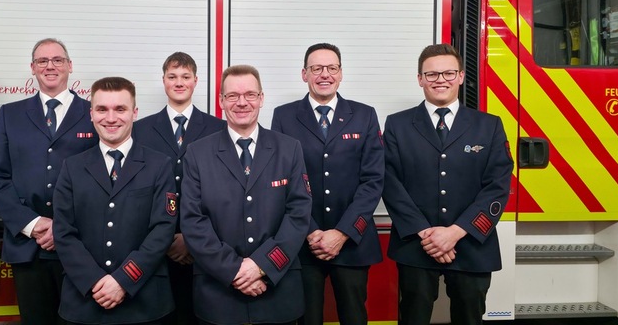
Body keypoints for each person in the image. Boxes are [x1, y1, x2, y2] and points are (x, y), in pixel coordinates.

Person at [382, 44, 513, 325]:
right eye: (431, 74)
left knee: (469, 317)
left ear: (461, 76)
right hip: (416, 243)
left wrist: (455, 232)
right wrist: (427, 234)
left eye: (449, 73)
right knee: (413, 317)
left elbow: (497, 186)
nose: (440, 80)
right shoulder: (397, 125)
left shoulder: (489, 125)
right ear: (420, 79)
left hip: (472, 243)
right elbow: (389, 183)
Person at [181, 64, 312, 325]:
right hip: (219, 295)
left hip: (277, 290)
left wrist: (262, 265)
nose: (242, 103)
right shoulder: (198, 153)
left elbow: (298, 215)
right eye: (232, 96)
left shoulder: (289, 149)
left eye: (250, 94)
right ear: (221, 101)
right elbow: (193, 221)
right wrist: (234, 270)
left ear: (261, 98)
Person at [0, 38, 97, 325]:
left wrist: (63, 226)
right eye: (42, 61)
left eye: (58, 60)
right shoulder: (10, 114)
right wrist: (32, 224)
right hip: (28, 245)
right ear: (32, 68)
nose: (50, 66)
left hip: (82, 245)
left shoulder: (94, 113)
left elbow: (104, 181)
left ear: (70, 66)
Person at [271, 43, 384, 325]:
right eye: (317, 68)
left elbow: (373, 181)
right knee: (307, 318)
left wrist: (342, 233)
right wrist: (310, 231)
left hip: (352, 242)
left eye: (332, 68)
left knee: (354, 317)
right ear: (304, 74)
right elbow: (280, 180)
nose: (325, 74)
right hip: (301, 242)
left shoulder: (364, 115)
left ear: (341, 73)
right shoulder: (284, 117)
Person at [53, 76, 177, 325]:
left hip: (145, 303)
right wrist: (95, 281)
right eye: (102, 109)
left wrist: (123, 281)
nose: (111, 118)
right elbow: (64, 232)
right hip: (85, 301)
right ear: (91, 114)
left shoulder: (159, 165)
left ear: (134, 113)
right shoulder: (72, 167)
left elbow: (163, 230)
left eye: (120, 109)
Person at [133, 52, 225, 325]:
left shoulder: (219, 129)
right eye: (172, 76)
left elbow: (224, 191)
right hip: (153, 248)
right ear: (163, 81)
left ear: (196, 80)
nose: (179, 82)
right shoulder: (140, 129)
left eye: (185, 77)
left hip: (206, 247)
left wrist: (191, 238)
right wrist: (164, 239)